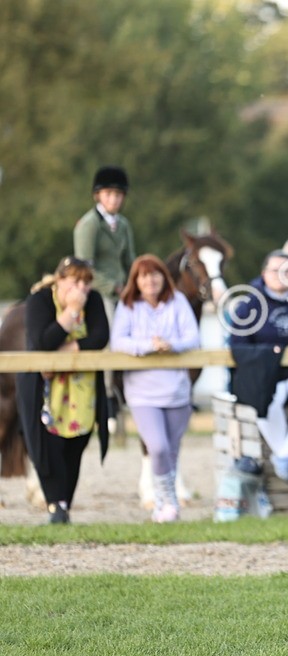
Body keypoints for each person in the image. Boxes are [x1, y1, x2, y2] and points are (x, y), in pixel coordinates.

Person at [15, 257, 110, 524]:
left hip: (83, 389)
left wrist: (67, 350)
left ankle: (63, 504)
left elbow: (100, 337)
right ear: (60, 279)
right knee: (47, 447)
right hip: (43, 390)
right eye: (75, 280)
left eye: (86, 282)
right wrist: (71, 312)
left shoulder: (94, 302)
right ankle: (55, 506)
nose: (81, 287)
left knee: (75, 446)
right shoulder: (40, 300)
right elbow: (41, 340)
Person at [109, 255, 201, 522]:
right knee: (157, 447)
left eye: (156, 274)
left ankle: (167, 506)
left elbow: (192, 337)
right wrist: (148, 346)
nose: (151, 280)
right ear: (136, 281)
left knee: (171, 450)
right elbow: (118, 341)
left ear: (164, 277)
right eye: (144, 276)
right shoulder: (128, 307)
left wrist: (171, 344)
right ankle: (166, 500)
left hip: (176, 390)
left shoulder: (178, 302)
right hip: (142, 392)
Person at [227, 250, 288, 481]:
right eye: (276, 270)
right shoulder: (249, 305)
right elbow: (238, 346)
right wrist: (269, 355)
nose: (281, 275)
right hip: (264, 373)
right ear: (264, 274)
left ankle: (283, 456)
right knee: (265, 404)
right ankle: (286, 460)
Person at [73, 166, 135, 307]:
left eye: (118, 195)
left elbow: (129, 261)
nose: (113, 200)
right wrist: (114, 287)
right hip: (98, 292)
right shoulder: (89, 224)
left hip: (123, 290)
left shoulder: (124, 224)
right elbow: (84, 268)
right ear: (98, 195)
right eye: (108, 194)